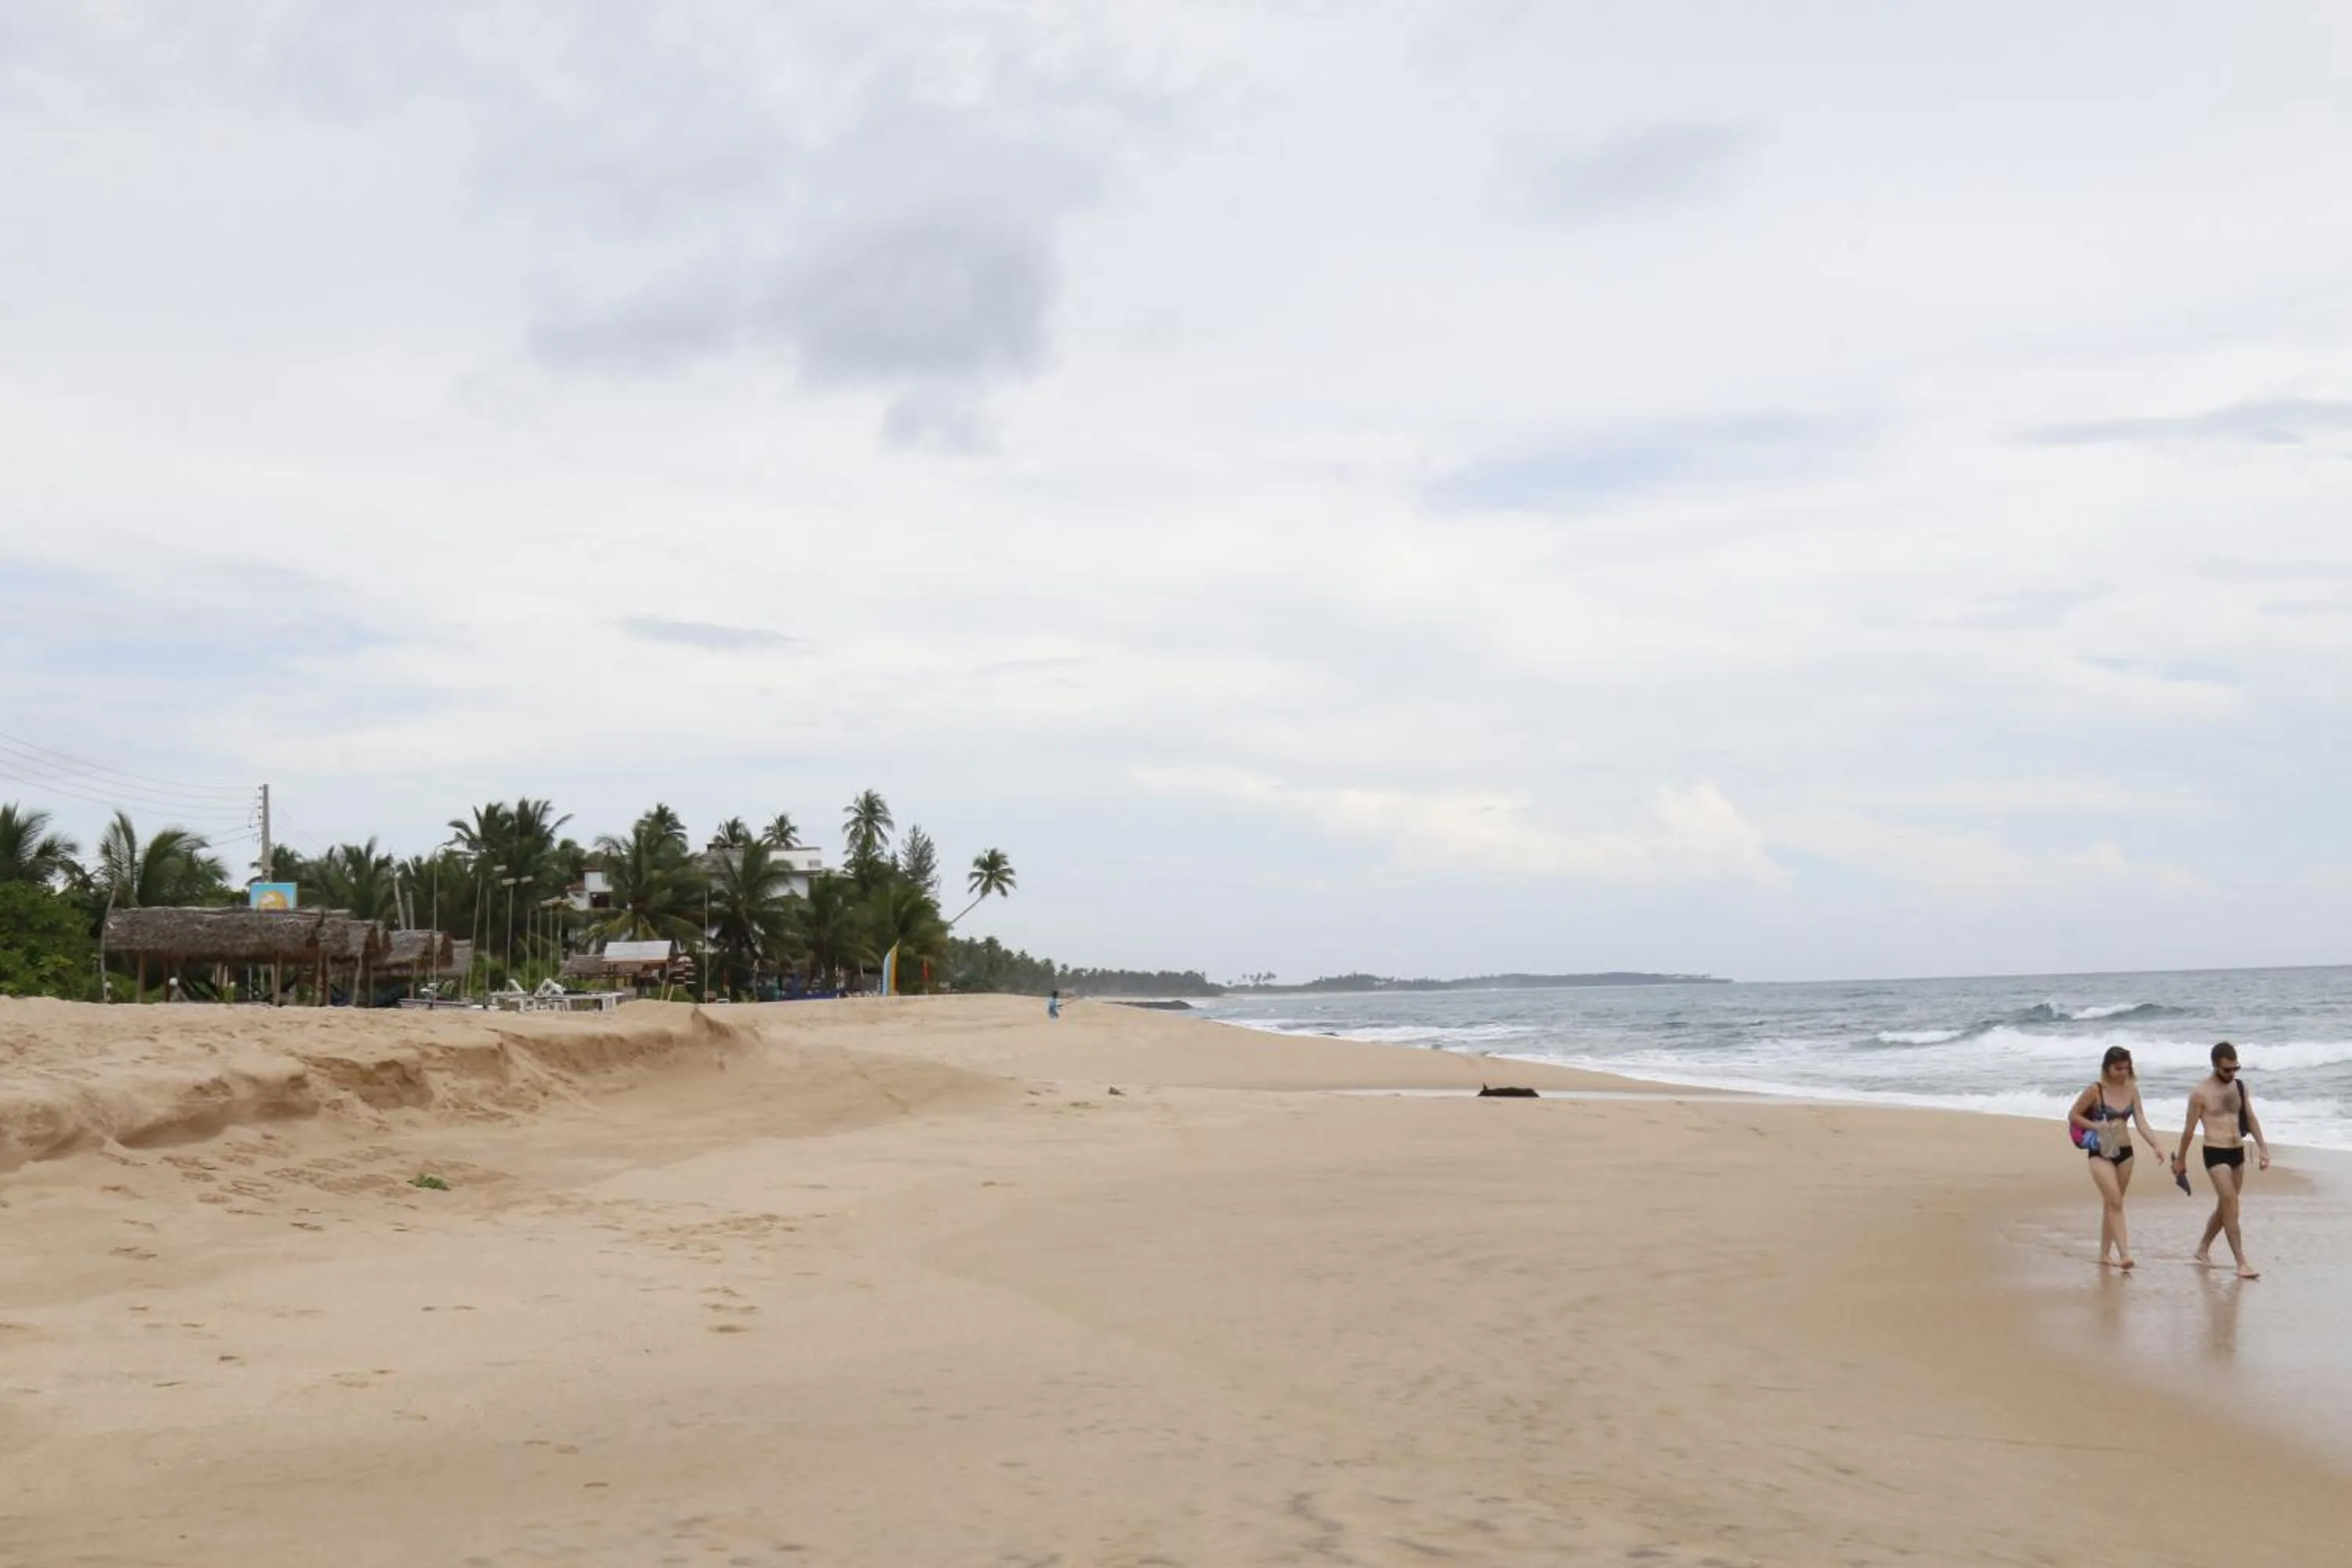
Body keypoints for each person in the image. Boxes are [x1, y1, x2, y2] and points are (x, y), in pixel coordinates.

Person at [2172, 1041, 2270, 1279]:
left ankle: (2203, 1248)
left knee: (2226, 1206)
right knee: (2231, 1204)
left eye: (2236, 1068)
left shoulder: (2239, 1086)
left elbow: (2251, 1117)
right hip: (2215, 1152)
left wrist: (2263, 1148)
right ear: (2215, 1065)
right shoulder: (2201, 1093)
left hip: (2237, 1151)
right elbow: (2188, 1129)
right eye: (2227, 1069)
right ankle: (2241, 1262)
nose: (2232, 1073)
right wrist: (2181, 1159)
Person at [2067, 1045, 2165, 1269]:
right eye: (2117, 1068)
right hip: (2101, 1150)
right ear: (2107, 1068)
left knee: (2112, 1205)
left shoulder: (2132, 1090)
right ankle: (2124, 1255)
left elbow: (2140, 1119)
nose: (2122, 1072)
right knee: (2115, 1202)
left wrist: (2155, 1145)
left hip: (2124, 1151)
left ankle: (2104, 1255)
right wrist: (2096, 1126)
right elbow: (2073, 1115)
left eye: (2126, 1068)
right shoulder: (2096, 1090)